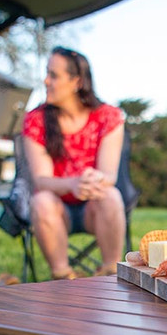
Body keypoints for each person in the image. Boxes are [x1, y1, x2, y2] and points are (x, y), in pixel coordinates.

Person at [21, 47, 126, 280]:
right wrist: (73, 184)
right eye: (47, 73)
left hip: (94, 208)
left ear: (76, 81)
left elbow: (109, 174)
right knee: (41, 200)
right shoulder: (36, 120)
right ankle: (63, 277)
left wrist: (91, 180)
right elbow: (41, 180)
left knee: (110, 195)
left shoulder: (108, 116)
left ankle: (112, 274)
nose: (46, 80)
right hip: (57, 211)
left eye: (54, 75)